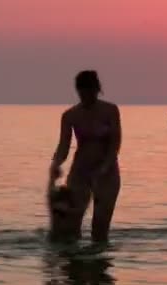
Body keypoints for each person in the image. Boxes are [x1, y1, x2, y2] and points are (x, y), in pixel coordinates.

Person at [49, 70, 122, 243]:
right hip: (80, 172)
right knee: (71, 227)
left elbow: (115, 144)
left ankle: (97, 266)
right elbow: (64, 146)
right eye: (81, 92)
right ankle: (76, 266)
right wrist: (56, 163)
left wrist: (103, 168)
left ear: (96, 90)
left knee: (100, 230)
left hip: (107, 174)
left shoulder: (110, 111)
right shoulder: (70, 115)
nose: (85, 96)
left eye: (89, 92)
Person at [47, 169, 81, 243]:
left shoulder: (54, 206)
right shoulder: (74, 211)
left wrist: (53, 177)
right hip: (63, 238)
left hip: (58, 238)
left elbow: (50, 191)